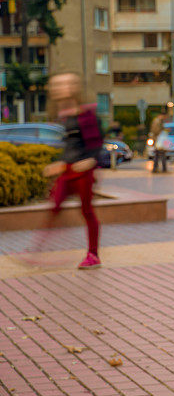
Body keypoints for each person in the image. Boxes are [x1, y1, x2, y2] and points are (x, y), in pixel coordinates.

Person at [41, 72, 103, 270]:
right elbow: (69, 146)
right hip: (68, 170)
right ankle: (40, 249)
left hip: (83, 171)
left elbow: (96, 143)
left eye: (61, 84)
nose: (56, 89)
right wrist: (57, 164)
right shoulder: (65, 116)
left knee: (87, 211)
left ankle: (93, 255)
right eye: (55, 85)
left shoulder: (86, 115)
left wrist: (91, 161)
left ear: (73, 88)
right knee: (55, 205)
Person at [149, 106, 168, 173]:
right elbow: (156, 131)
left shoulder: (157, 121)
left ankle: (156, 168)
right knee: (161, 154)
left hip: (157, 140)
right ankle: (163, 169)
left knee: (157, 155)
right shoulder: (158, 121)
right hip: (158, 140)